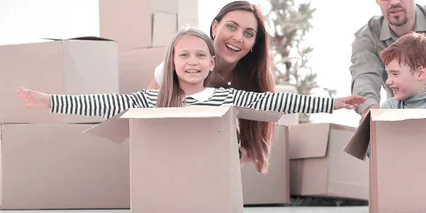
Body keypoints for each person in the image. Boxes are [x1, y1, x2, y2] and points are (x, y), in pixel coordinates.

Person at [18, 28, 364, 173]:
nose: (193, 61)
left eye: (201, 55)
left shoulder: (224, 96)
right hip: (170, 170)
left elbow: (277, 104)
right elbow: (105, 103)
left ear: (212, 63)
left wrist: (332, 103)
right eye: (184, 55)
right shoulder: (154, 99)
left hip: (213, 171)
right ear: (172, 62)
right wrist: (49, 100)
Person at [149, 1, 276, 172]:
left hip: (216, 170)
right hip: (170, 160)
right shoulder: (179, 67)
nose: (238, 38)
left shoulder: (253, 81)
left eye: (248, 33)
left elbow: (255, 148)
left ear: (254, 43)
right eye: (231, 27)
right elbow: (143, 119)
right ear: (215, 27)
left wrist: (234, 153)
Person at [379, 32, 426, 109]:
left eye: (395, 74)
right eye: (388, 74)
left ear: (420, 74)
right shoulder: (389, 108)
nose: (388, 82)